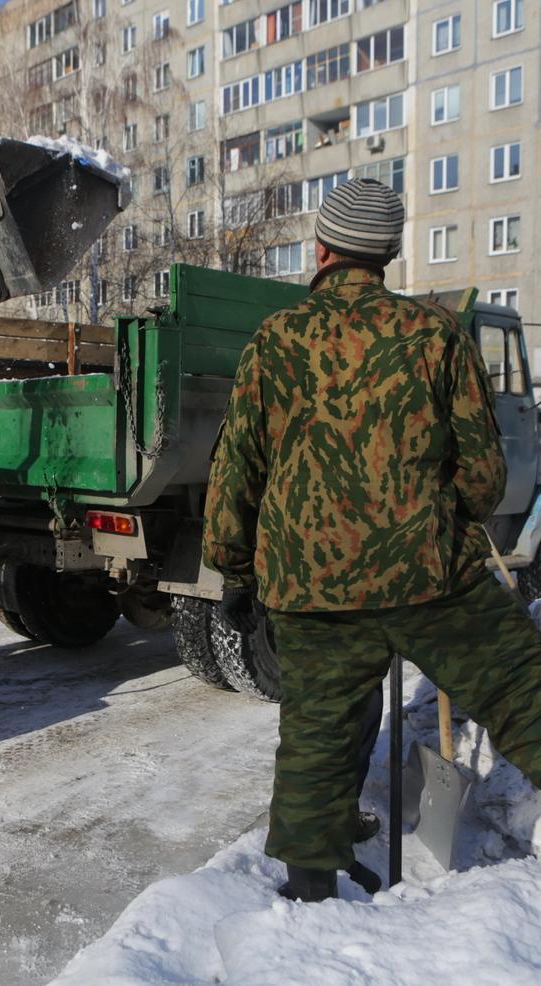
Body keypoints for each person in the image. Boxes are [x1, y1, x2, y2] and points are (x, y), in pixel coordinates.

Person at [204, 177, 541, 902]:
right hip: (428, 577)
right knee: (522, 689)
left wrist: (232, 571)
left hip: (309, 587)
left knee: (317, 735)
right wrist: (439, 521)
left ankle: (309, 888)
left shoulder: (275, 338)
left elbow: (236, 468)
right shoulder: (434, 332)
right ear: (385, 253)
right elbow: (483, 470)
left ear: (320, 249)